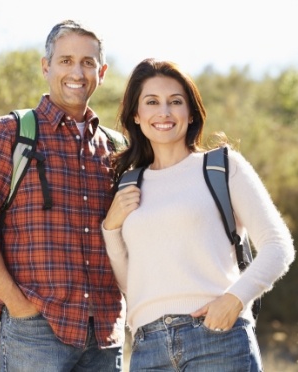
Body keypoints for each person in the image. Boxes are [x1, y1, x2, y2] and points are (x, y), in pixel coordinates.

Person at [102, 58, 295, 371]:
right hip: (148, 349)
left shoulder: (222, 166)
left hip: (217, 339)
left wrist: (235, 300)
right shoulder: (128, 184)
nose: (164, 112)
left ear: (190, 112)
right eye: (152, 102)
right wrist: (110, 228)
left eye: (175, 102)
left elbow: (278, 245)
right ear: (136, 115)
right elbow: (131, 284)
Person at [0, 20, 126, 372]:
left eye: (87, 62)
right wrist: (18, 305)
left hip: (106, 335)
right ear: (45, 67)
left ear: (102, 72)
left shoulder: (117, 149)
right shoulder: (8, 133)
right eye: (65, 61)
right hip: (35, 330)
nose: (77, 71)